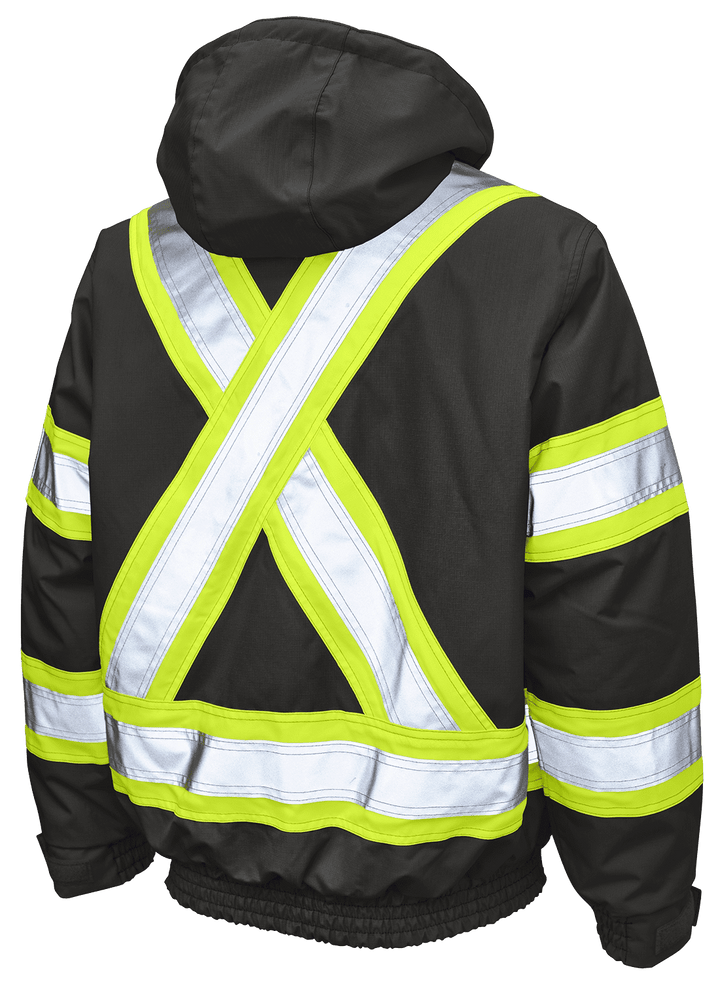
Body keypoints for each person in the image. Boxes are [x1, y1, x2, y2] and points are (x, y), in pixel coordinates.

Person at [20, 14, 702, 968]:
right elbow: (610, 594)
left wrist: (84, 835)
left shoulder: (128, 263)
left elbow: (62, 559)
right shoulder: (542, 256)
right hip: (466, 880)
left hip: (185, 871)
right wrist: (641, 897)